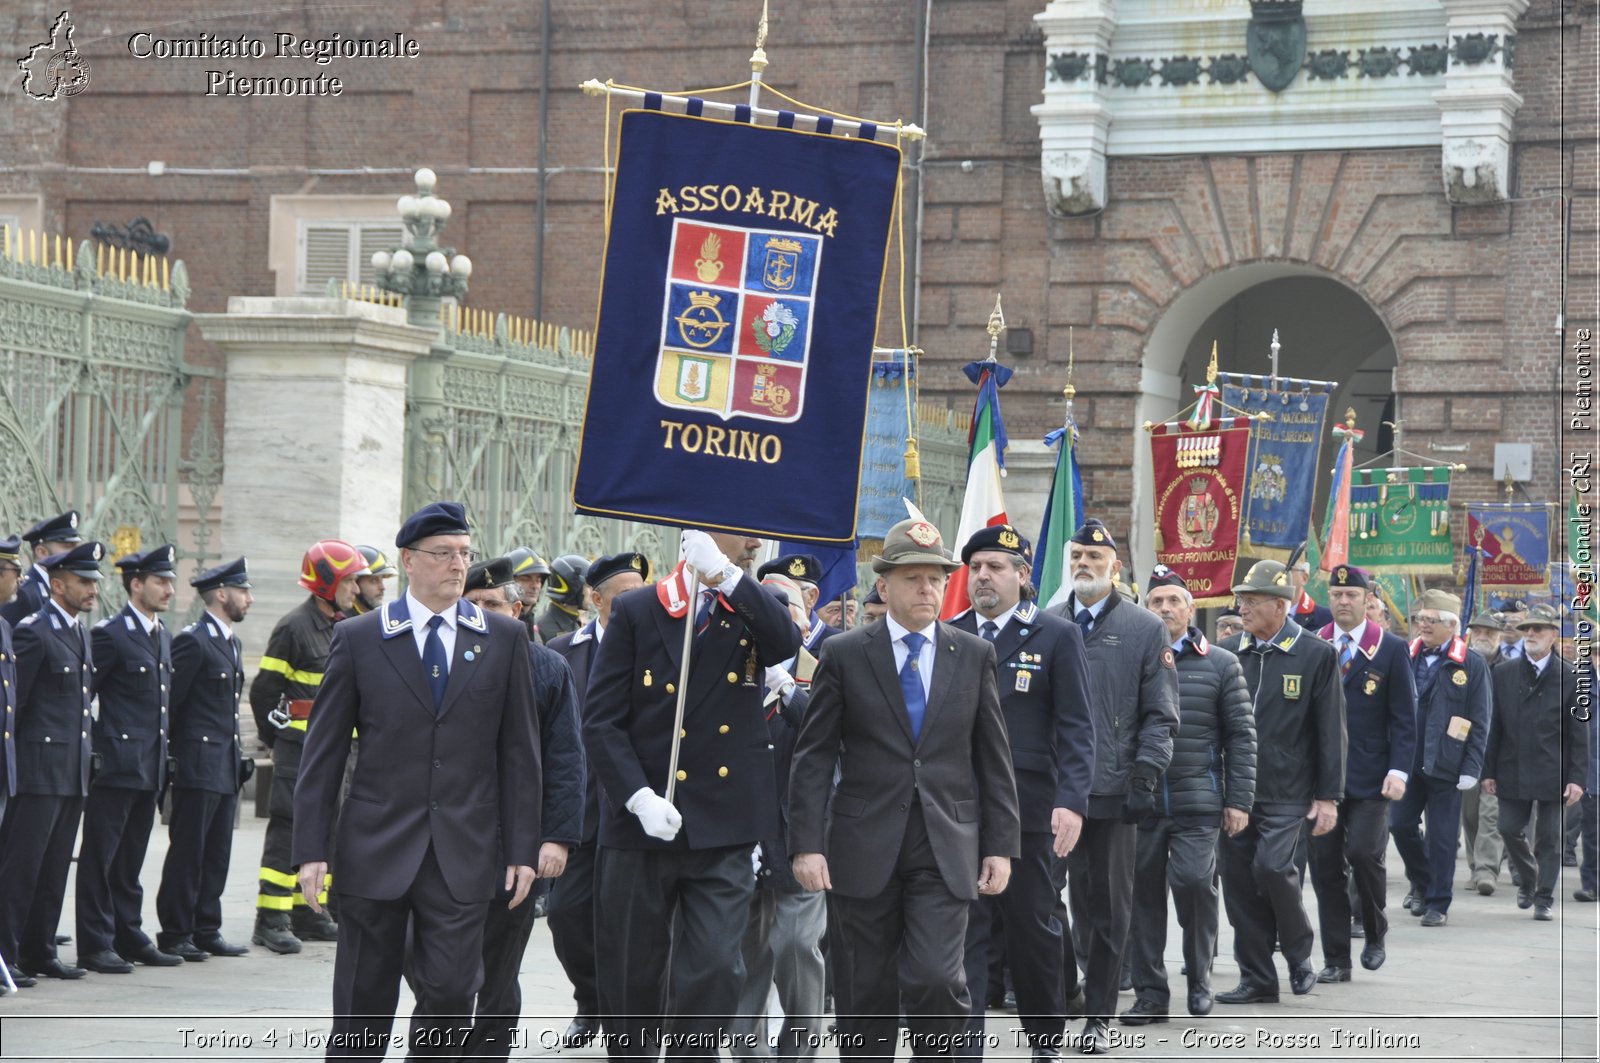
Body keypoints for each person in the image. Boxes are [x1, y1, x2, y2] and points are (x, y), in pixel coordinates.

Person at [292, 501, 542, 1058]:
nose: (458, 565)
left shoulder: (502, 639)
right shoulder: (360, 638)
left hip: (464, 852)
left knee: (454, 991)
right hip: (374, 848)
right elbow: (324, 751)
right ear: (409, 560)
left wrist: (523, 847)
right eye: (444, 554)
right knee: (362, 1004)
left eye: (464, 554)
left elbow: (521, 753)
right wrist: (311, 848)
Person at [788, 516, 1020, 1062]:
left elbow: (994, 758)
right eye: (912, 578)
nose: (926, 588)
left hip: (945, 845)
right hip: (862, 845)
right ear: (885, 586)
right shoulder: (846, 653)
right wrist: (806, 843)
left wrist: (1000, 846)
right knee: (864, 992)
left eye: (936, 578)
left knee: (936, 978)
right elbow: (815, 755)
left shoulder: (972, 654)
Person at [583, 528, 798, 1060]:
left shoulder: (752, 602)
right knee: (632, 975)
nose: (755, 542)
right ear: (705, 530)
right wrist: (637, 796)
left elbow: (785, 643)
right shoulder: (638, 609)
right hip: (643, 826)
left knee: (717, 968)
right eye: (744, 533)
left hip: (723, 826)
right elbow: (602, 721)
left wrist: (725, 575)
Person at [429, 555, 584, 1062]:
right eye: (471, 605)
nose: (482, 615)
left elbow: (565, 760)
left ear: (518, 609)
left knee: (499, 970)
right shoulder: (440, 661)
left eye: (492, 604)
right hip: (447, 841)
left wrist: (556, 838)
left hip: (514, 845)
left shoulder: (547, 668)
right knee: (441, 969)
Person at [948, 524, 1093, 1058]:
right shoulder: (951, 630)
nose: (983, 576)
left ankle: (1045, 1039)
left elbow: (1078, 725)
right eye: (976, 567)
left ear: (1022, 575)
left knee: (1032, 926)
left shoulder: (1055, 635)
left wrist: (1072, 800)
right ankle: (966, 1047)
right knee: (967, 929)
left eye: (995, 567)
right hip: (960, 806)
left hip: (1031, 808)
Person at [1043, 518, 1179, 1054]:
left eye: (1094, 559)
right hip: (1053, 792)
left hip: (1113, 792)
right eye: (1076, 556)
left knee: (1106, 908)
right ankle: (1065, 994)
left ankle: (1098, 1014)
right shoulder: (1049, 624)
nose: (1083, 565)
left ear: (1114, 568)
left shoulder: (1145, 629)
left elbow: (1161, 715)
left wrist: (1145, 774)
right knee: (1041, 901)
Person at [1121, 565, 1254, 1023]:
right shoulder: (1133, 659)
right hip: (1141, 803)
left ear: (1190, 608)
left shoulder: (1221, 663)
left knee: (1196, 884)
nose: (1164, 609)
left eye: (1173, 600)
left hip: (1199, 802)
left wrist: (1238, 800)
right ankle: (1151, 993)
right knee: (1142, 900)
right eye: (1156, 602)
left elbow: (1241, 736)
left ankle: (1199, 978)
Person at [1215, 560, 1344, 1005]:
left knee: (1273, 868)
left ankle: (1298, 954)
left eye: (1251, 601)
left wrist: (1328, 797)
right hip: (1235, 792)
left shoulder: (1315, 654)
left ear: (1279, 604)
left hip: (1289, 790)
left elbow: (1331, 731)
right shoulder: (1228, 652)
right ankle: (1257, 978)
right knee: (1237, 883)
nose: (1242, 608)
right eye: (1241, 600)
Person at [545, 551, 650, 1049]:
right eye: (624, 593)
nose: (635, 601)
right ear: (595, 597)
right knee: (567, 917)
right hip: (580, 813)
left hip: (636, 813)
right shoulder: (565, 649)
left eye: (640, 591)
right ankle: (590, 999)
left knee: (625, 925)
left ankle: (620, 1015)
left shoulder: (657, 646)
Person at [249, 538, 368, 953]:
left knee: (330, 827)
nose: (357, 589)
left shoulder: (343, 626)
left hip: (339, 751)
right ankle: (272, 917)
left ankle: (308, 913)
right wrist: (278, 739)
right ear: (327, 581)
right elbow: (265, 692)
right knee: (289, 827)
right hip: (299, 749)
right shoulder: (293, 628)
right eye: (351, 581)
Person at [730, 578, 828, 1062]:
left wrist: (787, 689)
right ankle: (750, 1052)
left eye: (779, 607)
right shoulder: (728, 670)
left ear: (803, 618)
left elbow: (834, 736)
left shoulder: (824, 668)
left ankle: (800, 1049)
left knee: (795, 945)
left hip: (799, 838)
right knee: (747, 956)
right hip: (741, 837)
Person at [74, 546, 184, 974]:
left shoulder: (162, 635)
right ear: (136, 584)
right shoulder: (111, 634)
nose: (169, 590)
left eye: (171, 582)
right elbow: (84, 696)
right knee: (100, 858)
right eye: (161, 581)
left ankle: (127, 932)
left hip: (149, 765)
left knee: (131, 859)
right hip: (116, 765)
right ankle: (95, 943)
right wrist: (97, 750)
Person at [0, 539, 105, 983]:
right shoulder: (33, 630)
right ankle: (8, 953)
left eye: (94, 583)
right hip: (39, 770)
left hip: (71, 770)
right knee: (21, 868)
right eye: (83, 582)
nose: (92, 590)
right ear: (57, 584)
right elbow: (15, 706)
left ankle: (40, 950)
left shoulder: (79, 632)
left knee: (54, 868)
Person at [1306, 566, 1416, 982]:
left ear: (1368, 599)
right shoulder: (1315, 645)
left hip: (1372, 777)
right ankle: (1336, 959)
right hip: (1322, 781)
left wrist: (1399, 770)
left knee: (1364, 854)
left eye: (1351, 594)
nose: (1343, 601)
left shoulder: (1388, 648)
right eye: (1336, 594)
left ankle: (1374, 931)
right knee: (1326, 869)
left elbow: (1405, 719)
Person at [155, 558, 255, 961]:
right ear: (220, 593)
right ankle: (176, 931)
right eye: (243, 591)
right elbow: (172, 706)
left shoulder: (231, 641)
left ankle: (205, 927)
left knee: (216, 853)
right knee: (188, 852)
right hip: (197, 764)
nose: (249, 598)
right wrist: (175, 757)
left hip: (225, 765)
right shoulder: (194, 641)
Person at [1388, 589, 1491, 928]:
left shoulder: (1471, 663)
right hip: (1406, 759)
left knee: (1443, 838)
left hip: (1448, 762)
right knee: (1399, 825)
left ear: (1451, 625)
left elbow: (1480, 719)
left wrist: (1472, 767)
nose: (1422, 626)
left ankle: (1437, 902)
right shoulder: (1406, 654)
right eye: (1419, 619)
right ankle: (1421, 880)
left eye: (1430, 620)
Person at [1483, 604, 1589, 921]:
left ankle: (1543, 897)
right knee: (1508, 828)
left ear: (1554, 635)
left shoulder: (1571, 676)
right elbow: (1494, 726)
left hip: (1553, 768)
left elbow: (1579, 734)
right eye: (1527, 628)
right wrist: (1487, 771)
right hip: (1512, 765)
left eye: (1538, 629)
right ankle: (1529, 880)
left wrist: (1577, 778)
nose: (1530, 633)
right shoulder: (1503, 673)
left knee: (1551, 839)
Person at [1461, 613, 1509, 894]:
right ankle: (1474, 867)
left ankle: (1486, 870)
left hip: (1498, 754)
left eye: (1489, 633)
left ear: (1499, 637)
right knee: (1470, 815)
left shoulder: (1507, 668)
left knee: (1491, 814)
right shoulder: (1460, 665)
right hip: (1467, 751)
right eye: (1477, 631)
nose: (1483, 637)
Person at [0, 511, 83, 627]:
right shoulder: (24, 594)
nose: (74, 554)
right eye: (67, 547)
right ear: (42, 552)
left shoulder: (60, 590)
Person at [757, 554, 838, 654]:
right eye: (768, 595)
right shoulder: (752, 637)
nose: (776, 601)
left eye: (787, 594)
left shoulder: (839, 645)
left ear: (811, 597)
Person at [539, 554, 589, 645]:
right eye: (588, 586)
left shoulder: (573, 623)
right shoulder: (545, 629)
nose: (593, 592)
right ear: (574, 588)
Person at [507, 547, 551, 643]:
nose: (535, 586)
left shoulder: (536, 632)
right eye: (526, 578)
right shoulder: (501, 625)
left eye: (538, 580)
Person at [351, 546, 398, 615]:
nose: (382, 588)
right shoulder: (340, 622)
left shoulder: (380, 618)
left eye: (382, 579)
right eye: (373, 580)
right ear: (355, 583)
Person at [1288, 557, 1332, 631]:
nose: (1280, 576)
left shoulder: (1327, 619)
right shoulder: (1263, 613)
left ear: (1304, 578)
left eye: (1288, 570)